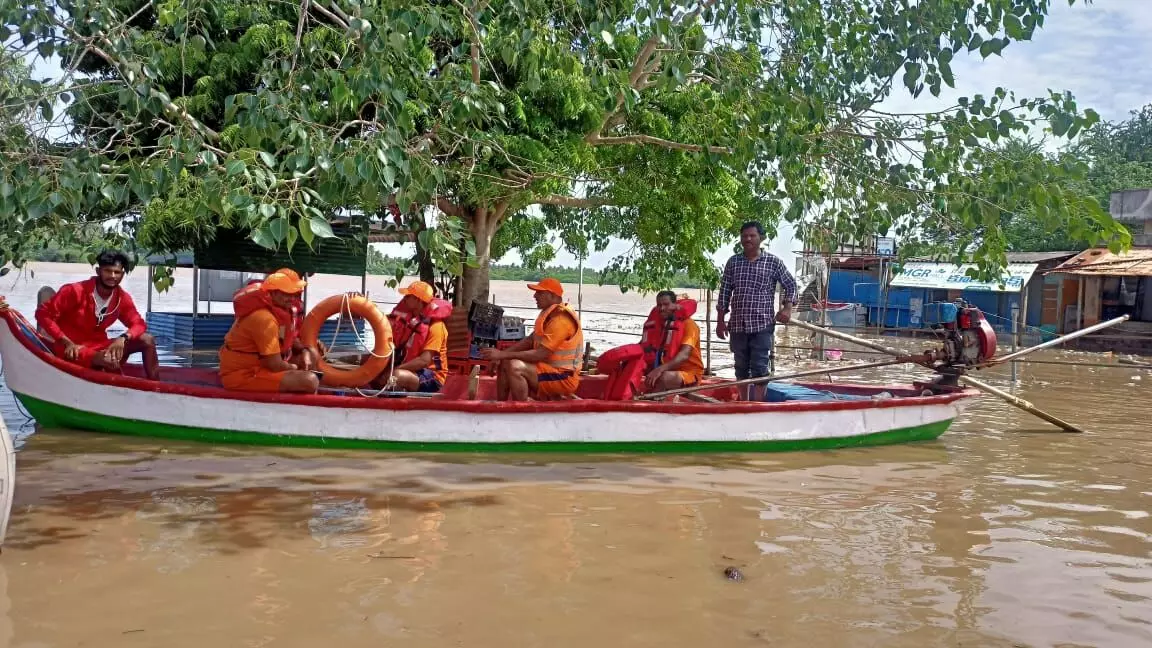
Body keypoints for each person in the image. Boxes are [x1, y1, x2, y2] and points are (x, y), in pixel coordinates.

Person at [35, 249, 160, 380]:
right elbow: (42, 314)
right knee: (110, 361)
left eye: (117, 272)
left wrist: (123, 338)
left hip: (100, 346)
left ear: (122, 274)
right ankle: (121, 392)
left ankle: (157, 388)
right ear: (98, 271)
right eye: (108, 271)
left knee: (147, 339)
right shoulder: (74, 291)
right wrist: (65, 341)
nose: (112, 276)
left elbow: (139, 324)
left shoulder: (122, 298)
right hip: (72, 349)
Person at [716, 221, 798, 400]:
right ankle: (743, 402)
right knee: (741, 366)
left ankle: (759, 403)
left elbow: (791, 285)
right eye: (744, 236)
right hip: (738, 323)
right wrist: (720, 321)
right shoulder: (733, 262)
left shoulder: (773, 262)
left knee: (760, 366)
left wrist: (787, 308)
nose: (748, 239)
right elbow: (724, 292)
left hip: (762, 323)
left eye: (752, 236)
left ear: (761, 238)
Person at [218, 268, 319, 394]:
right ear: (273, 293)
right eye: (286, 293)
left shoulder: (280, 310)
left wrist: (305, 351)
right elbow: (275, 365)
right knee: (310, 380)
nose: (292, 298)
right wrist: (297, 368)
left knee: (312, 354)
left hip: (262, 366)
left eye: (294, 293)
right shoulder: (264, 319)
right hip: (243, 374)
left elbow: (289, 340)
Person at [481, 278, 584, 401]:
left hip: (563, 378)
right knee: (506, 361)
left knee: (515, 366)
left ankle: (523, 409)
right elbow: (530, 341)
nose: (535, 296)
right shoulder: (550, 316)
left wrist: (501, 354)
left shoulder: (561, 320)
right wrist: (500, 357)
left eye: (539, 293)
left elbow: (540, 354)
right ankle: (501, 406)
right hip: (548, 370)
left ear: (551, 295)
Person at [372, 280, 451, 393]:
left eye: (408, 296)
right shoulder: (408, 320)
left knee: (396, 376)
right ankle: (380, 395)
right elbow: (379, 320)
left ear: (418, 300)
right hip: (409, 367)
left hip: (431, 376)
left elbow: (424, 361)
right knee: (371, 364)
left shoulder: (437, 327)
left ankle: (394, 401)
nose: (404, 298)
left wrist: (397, 369)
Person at [640, 291, 705, 392]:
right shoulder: (660, 325)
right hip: (668, 369)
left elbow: (684, 355)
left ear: (675, 305)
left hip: (690, 374)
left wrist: (659, 370)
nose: (662, 308)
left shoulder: (690, 325)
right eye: (659, 305)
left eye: (666, 304)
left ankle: (653, 402)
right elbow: (643, 347)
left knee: (663, 377)